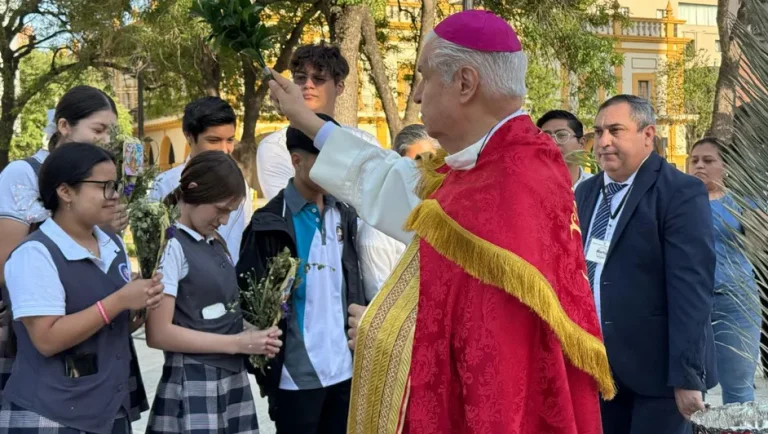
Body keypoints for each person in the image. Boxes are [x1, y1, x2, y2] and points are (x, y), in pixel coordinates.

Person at [268, 10, 610, 434]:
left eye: (425, 77)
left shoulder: (513, 179)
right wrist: (306, 121)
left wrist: (384, 334)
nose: (416, 96)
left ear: (465, 83)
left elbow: (497, 362)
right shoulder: (490, 163)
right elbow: (393, 184)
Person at [0, 85, 149, 419]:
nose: (105, 139)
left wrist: (106, 226)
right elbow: (8, 263)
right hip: (36, 317)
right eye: (98, 129)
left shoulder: (101, 188)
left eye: (110, 131)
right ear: (64, 126)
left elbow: (98, 258)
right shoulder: (23, 174)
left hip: (97, 350)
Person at [574, 95, 717, 433]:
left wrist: (687, 376)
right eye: (598, 131)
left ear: (648, 135)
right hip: (596, 369)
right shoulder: (585, 193)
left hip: (659, 377)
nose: (603, 141)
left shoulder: (679, 193)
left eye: (615, 130)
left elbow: (691, 291)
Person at [237, 114, 365, 434]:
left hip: (344, 373)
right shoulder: (269, 223)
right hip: (295, 380)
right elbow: (248, 303)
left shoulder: (345, 213)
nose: (334, 167)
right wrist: (266, 371)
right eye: (325, 158)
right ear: (297, 160)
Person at [145, 151, 280, 433]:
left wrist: (253, 333)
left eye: (230, 212)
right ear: (194, 192)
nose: (224, 219)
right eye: (220, 209)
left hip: (229, 376)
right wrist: (237, 344)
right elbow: (159, 333)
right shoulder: (171, 245)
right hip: (194, 378)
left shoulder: (213, 241)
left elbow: (220, 309)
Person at [256, 42, 379, 201]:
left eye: (318, 79)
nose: (308, 85)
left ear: (339, 87)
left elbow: (373, 209)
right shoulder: (274, 147)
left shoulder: (365, 143)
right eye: (300, 78)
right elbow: (287, 208)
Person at [688, 137, 760, 404]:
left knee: (739, 388)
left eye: (708, 161)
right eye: (694, 160)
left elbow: (759, 245)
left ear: (726, 166)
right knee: (691, 390)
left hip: (736, 304)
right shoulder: (674, 203)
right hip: (689, 305)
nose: (699, 166)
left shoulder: (742, 203)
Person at [149, 96, 252, 264]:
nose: (224, 150)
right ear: (189, 137)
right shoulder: (166, 184)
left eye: (230, 140)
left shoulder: (241, 186)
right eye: (214, 140)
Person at [537, 110, 593, 190]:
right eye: (546, 137)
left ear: (581, 143)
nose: (552, 142)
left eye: (562, 135)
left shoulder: (598, 188)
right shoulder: (528, 188)